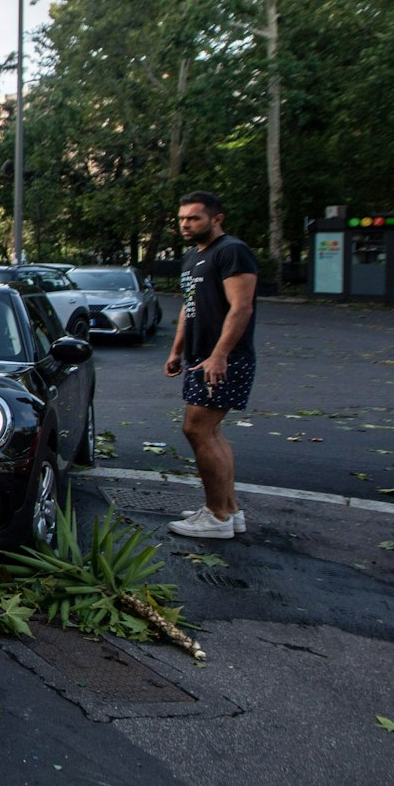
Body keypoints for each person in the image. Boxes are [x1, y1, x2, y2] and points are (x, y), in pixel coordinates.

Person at [165, 190, 258, 539]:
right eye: (182, 218)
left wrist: (219, 355)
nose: (186, 224)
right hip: (198, 358)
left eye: (194, 218)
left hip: (222, 359)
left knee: (198, 429)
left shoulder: (231, 251)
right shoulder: (193, 256)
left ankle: (216, 517)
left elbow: (242, 307)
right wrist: (177, 350)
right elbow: (189, 306)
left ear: (216, 219)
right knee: (211, 431)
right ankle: (228, 510)